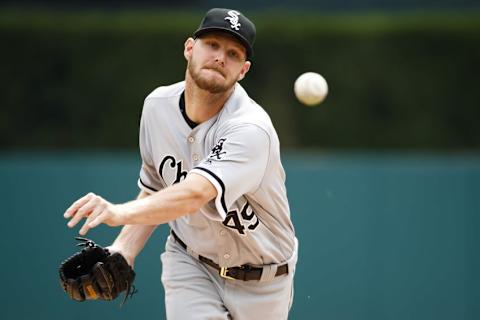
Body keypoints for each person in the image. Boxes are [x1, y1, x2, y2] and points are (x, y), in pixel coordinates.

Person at [63, 8, 298, 320]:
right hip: (191, 263)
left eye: (233, 53)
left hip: (265, 279)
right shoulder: (156, 107)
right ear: (190, 48)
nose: (220, 57)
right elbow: (156, 188)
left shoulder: (250, 128)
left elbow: (193, 194)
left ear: (243, 70)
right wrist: (125, 249)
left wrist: (119, 213)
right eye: (212, 45)